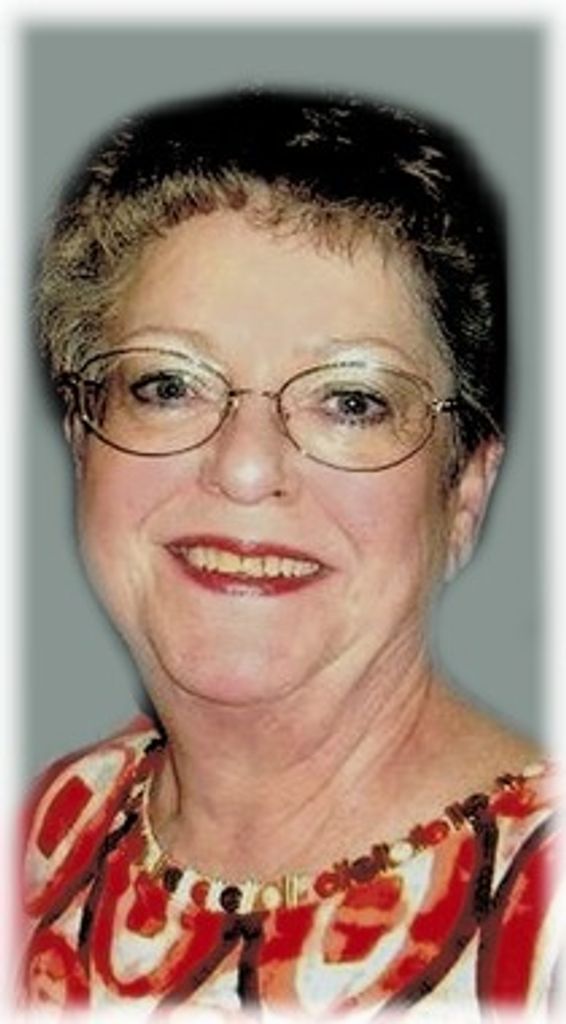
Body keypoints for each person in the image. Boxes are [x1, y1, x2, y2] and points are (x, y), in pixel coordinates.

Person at [21, 89, 562, 1018]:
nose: (243, 469)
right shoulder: (45, 834)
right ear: (81, 442)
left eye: (351, 402)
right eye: (168, 384)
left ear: (465, 493)